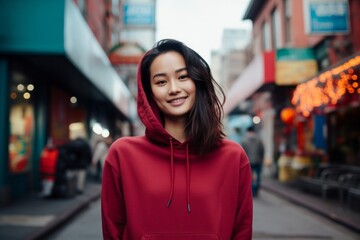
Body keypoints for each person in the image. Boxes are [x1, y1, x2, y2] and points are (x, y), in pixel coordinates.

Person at [101, 39, 253, 239]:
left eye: (183, 77)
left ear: (197, 83)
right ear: (149, 93)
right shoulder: (123, 154)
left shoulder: (232, 157)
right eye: (161, 82)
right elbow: (113, 231)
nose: (173, 88)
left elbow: (241, 231)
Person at [241, 125, 265, 197]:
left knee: (250, 177)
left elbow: (243, 152)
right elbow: (262, 150)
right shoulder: (259, 140)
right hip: (258, 161)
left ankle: (252, 190)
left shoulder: (244, 141)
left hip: (248, 162)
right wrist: (261, 159)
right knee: (258, 176)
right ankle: (256, 189)